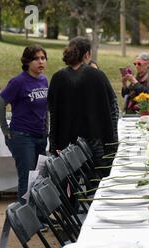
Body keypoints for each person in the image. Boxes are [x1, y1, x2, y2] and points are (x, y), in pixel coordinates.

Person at [48, 36, 119, 178]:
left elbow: (51, 112)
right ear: (87, 54)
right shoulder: (98, 76)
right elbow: (113, 109)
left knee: (70, 188)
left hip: (65, 145)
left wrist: (53, 144)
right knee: (96, 184)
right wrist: (113, 141)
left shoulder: (57, 78)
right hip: (95, 142)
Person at [0, 45, 48, 204]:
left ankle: (38, 216)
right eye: (36, 59)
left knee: (39, 178)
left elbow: (47, 108)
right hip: (22, 137)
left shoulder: (44, 80)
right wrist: (5, 129)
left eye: (43, 58)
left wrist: (47, 128)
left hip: (40, 136)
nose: (40, 62)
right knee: (27, 178)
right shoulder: (18, 82)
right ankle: (25, 221)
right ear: (27, 62)